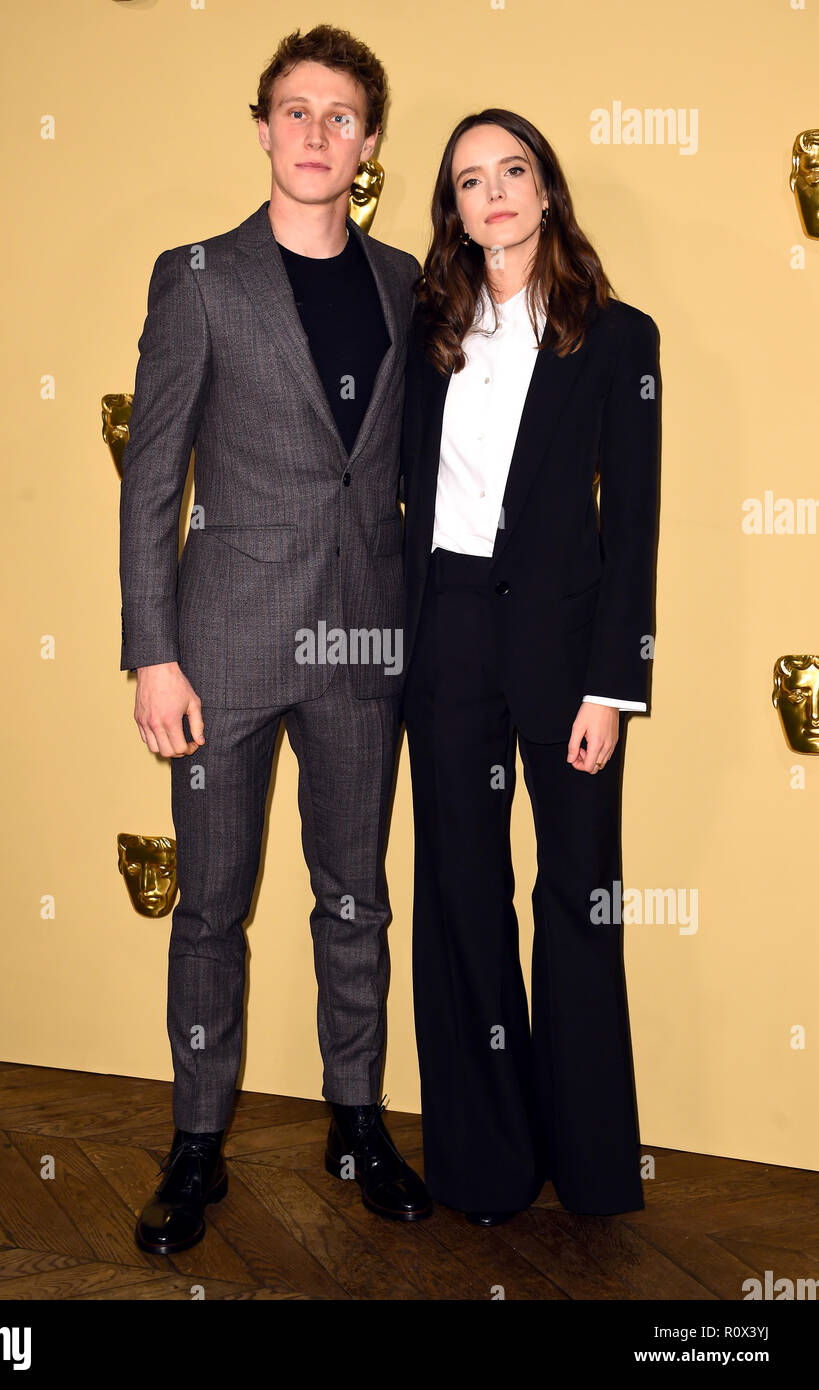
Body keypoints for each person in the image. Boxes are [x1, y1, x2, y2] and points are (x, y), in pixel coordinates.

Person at [119, 25, 429, 1254]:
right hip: (225, 642)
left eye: (340, 115)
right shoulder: (196, 276)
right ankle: (199, 1142)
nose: (315, 134)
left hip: (366, 642)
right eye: (295, 112)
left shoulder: (408, 279)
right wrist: (153, 652)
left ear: (367, 143)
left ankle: (356, 1118)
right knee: (210, 906)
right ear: (262, 127)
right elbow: (152, 479)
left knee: (356, 897)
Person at [401, 109, 661, 1223]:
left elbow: (633, 523)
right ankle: (485, 1162)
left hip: (566, 649)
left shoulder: (618, 337)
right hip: (449, 628)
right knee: (461, 889)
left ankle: (594, 1164)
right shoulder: (430, 334)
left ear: (546, 191)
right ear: (454, 210)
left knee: (578, 891)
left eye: (513, 171)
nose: (494, 191)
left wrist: (612, 684)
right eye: (471, 180)